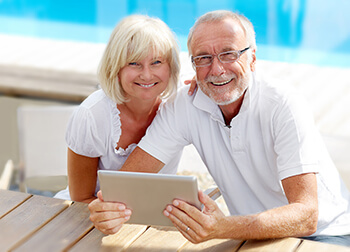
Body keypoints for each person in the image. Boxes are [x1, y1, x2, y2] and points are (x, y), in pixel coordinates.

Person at [88, 10, 350, 246]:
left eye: (228, 54)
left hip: (326, 235)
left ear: (253, 58)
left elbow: (306, 215)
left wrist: (223, 227)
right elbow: (129, 183)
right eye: (203, 58)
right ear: (193, 65)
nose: (216, 69)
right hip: (250, 237)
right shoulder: (186, 104)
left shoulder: (283, 105)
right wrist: (108, 211)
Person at [54, 14, 183, 203]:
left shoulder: (179, 107)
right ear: (116, 68)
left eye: (157, 62)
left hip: (152, 214)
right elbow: (80, 199)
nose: (147, 75)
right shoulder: (92, 115)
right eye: (134, 63)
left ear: (170, 67)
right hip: (94, 214)